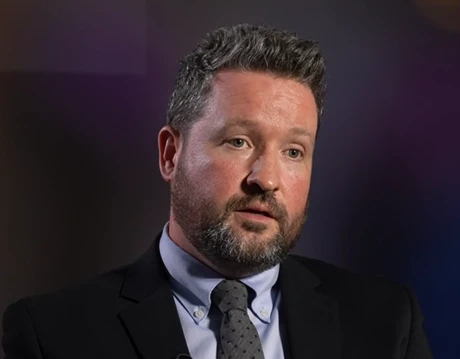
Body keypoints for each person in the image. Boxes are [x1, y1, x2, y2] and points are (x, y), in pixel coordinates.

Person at [2, 24, 433, 359]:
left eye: (294, 151)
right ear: (171, 154)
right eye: (239, 142)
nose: (266, 179)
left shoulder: (386, 323)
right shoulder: (54, 335)